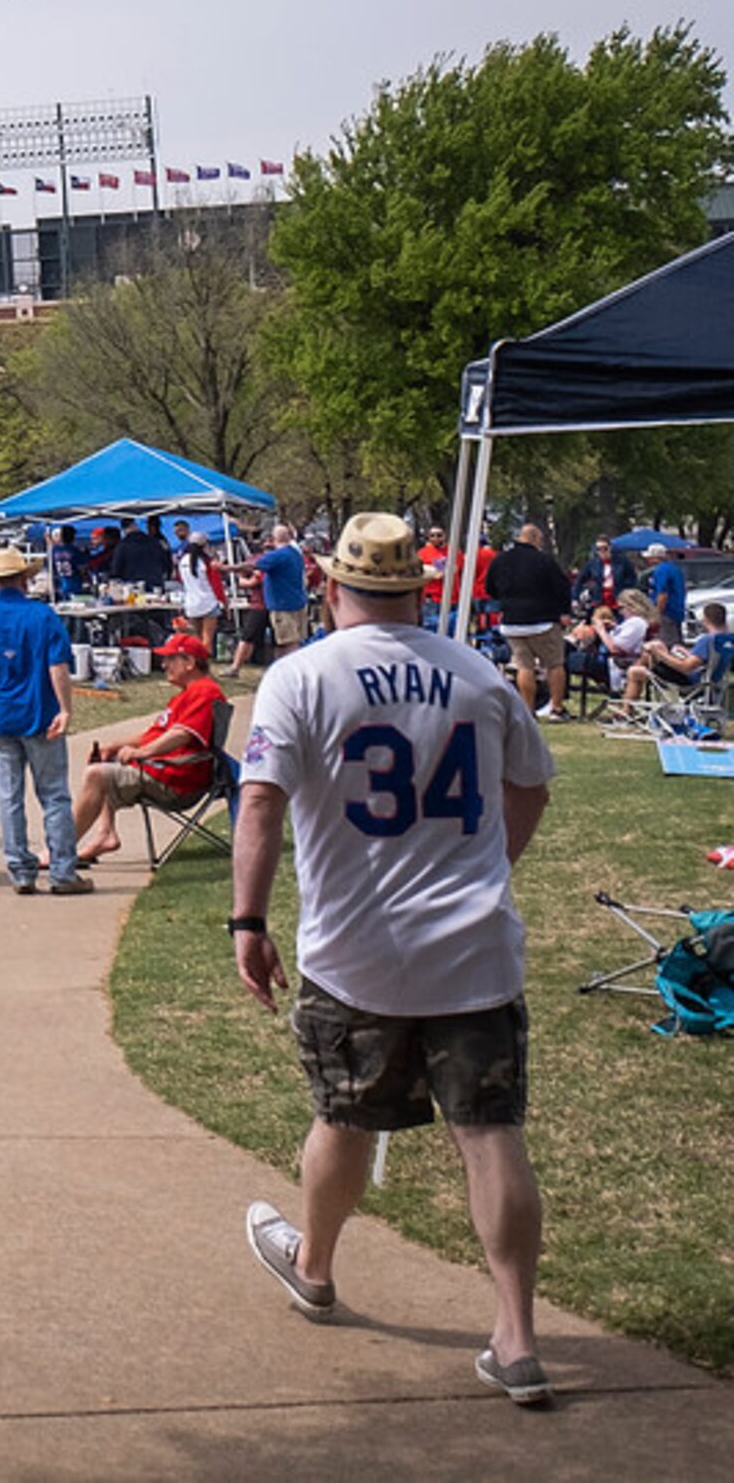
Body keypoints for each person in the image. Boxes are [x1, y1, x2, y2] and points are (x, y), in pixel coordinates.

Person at [229, 512, 557, 1407]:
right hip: (475, 949)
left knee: (343, 1115)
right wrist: (492, 865)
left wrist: (246, 920)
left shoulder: (299, 677)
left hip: (354, 951)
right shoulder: (479, 674)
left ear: (333, 590)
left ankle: (318, 1265)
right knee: (490, 1136)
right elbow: (531, 781)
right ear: (418, 590)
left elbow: (259, 804)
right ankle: (517, 1337)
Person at [0, 546, 86, 895]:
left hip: (1, 715)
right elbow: (57, 666)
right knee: (55, 796)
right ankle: (62, 871)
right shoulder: (42, 616)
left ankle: (20, 870)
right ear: (24, 579)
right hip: (40, 714)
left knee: (8, 796)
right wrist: (65, 709)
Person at [72, 633, 226, 863]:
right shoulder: (186, 695)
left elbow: (182, 735)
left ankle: (60, 851)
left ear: (190, 663)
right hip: (164, 772)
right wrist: (114, 747)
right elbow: (153, 736)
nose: (164, 665)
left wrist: (142, 753)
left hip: (176, 780)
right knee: (102, 763)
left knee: (96, 775)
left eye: (170, 659)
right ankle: (104, 836)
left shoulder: (204, 692)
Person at [484, 523, 572, 719]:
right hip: (543, 621)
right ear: (534, 538)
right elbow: (562, 587)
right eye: (540, 540)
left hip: (512, 622)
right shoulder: (544, 561)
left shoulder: (500, 560)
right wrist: (564, 611)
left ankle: (527, 710)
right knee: (554, 664)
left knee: (525, 667)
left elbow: (490, 588)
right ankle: (557, 708)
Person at [626, 601, 732, 703]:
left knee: (635, 671)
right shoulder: (727, 639)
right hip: (713, 681)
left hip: (693, 683)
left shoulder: (707, 640)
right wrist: (687, 654)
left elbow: (685, 667)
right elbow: (704, 662)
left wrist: (661, 654)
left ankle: (626, 710)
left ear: (706, 620)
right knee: (658, 646)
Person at [251, 525, 310, 656]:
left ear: (273, 538)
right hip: (298, 602)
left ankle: (293, 670)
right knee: (293, 641)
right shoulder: (296, 553)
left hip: (282, 605)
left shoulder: (277, 555)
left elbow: (253, 566)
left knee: (289, 642)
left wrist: (226, 568)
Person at [177, 536, 223, 650]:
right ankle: (205, 662)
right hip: (208, 602)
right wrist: (224, 601)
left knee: (196, 638)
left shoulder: (182, 561)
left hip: (191, 603)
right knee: (207, 638)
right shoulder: (206, 562)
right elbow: (216, 585)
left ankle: (197, 661)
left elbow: (180, 580)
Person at [640, 542, 688, 646]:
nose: (647, 560)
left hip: (667, 612)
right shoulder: (674, 568)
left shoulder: (661, 570)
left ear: (655, 557)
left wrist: (657, 613)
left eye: (649, 557)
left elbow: (662, 594)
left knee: (667, 643)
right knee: (677, 641)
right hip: (677, 611)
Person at [572, 536, 631, 615]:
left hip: (618, 600)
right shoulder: (592, 564)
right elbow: (579, 580)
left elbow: (631, 579)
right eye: (599, 549)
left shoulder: (622, 562)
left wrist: (626, 593)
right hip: (599, 600)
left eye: (605, 548)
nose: (602, 551)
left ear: (610, 548)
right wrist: (575, 598)